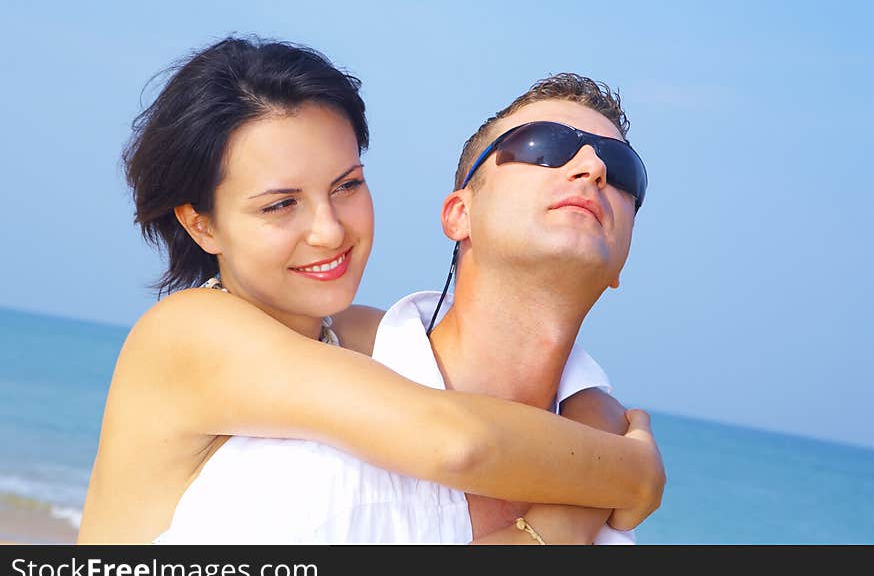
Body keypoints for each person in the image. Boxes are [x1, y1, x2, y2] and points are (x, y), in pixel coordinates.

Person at [77, 36, 664, 544]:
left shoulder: (349, 338)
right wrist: (627, 475)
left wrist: (598, 414)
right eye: (281, 204)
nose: (329, 230)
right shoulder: (188, 332)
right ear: (201, 223)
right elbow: (455, 440)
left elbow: (502, 368)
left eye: (347, 186)